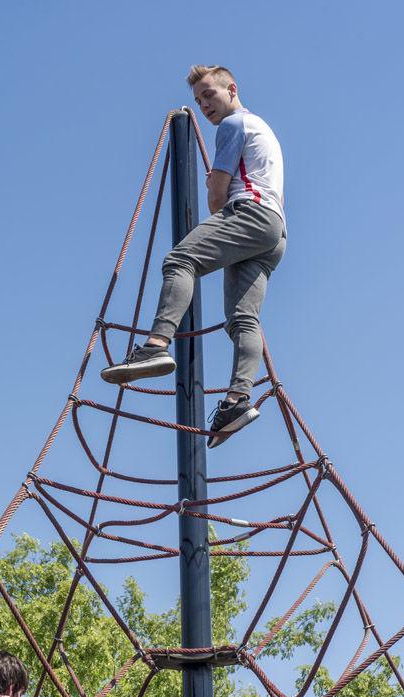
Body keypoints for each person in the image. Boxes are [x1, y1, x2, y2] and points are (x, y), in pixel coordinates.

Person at [101, 64, 286, 448]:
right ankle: (237, 400)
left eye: (210, 95)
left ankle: (155, 346)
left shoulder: (233, 126)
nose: (204, 105)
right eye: (199, 100)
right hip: (275, 230)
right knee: (242, 318)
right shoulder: (263, 128)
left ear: (231, 89)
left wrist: (215, 195)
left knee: (180, 261)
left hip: (248, 212)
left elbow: (218, 196)